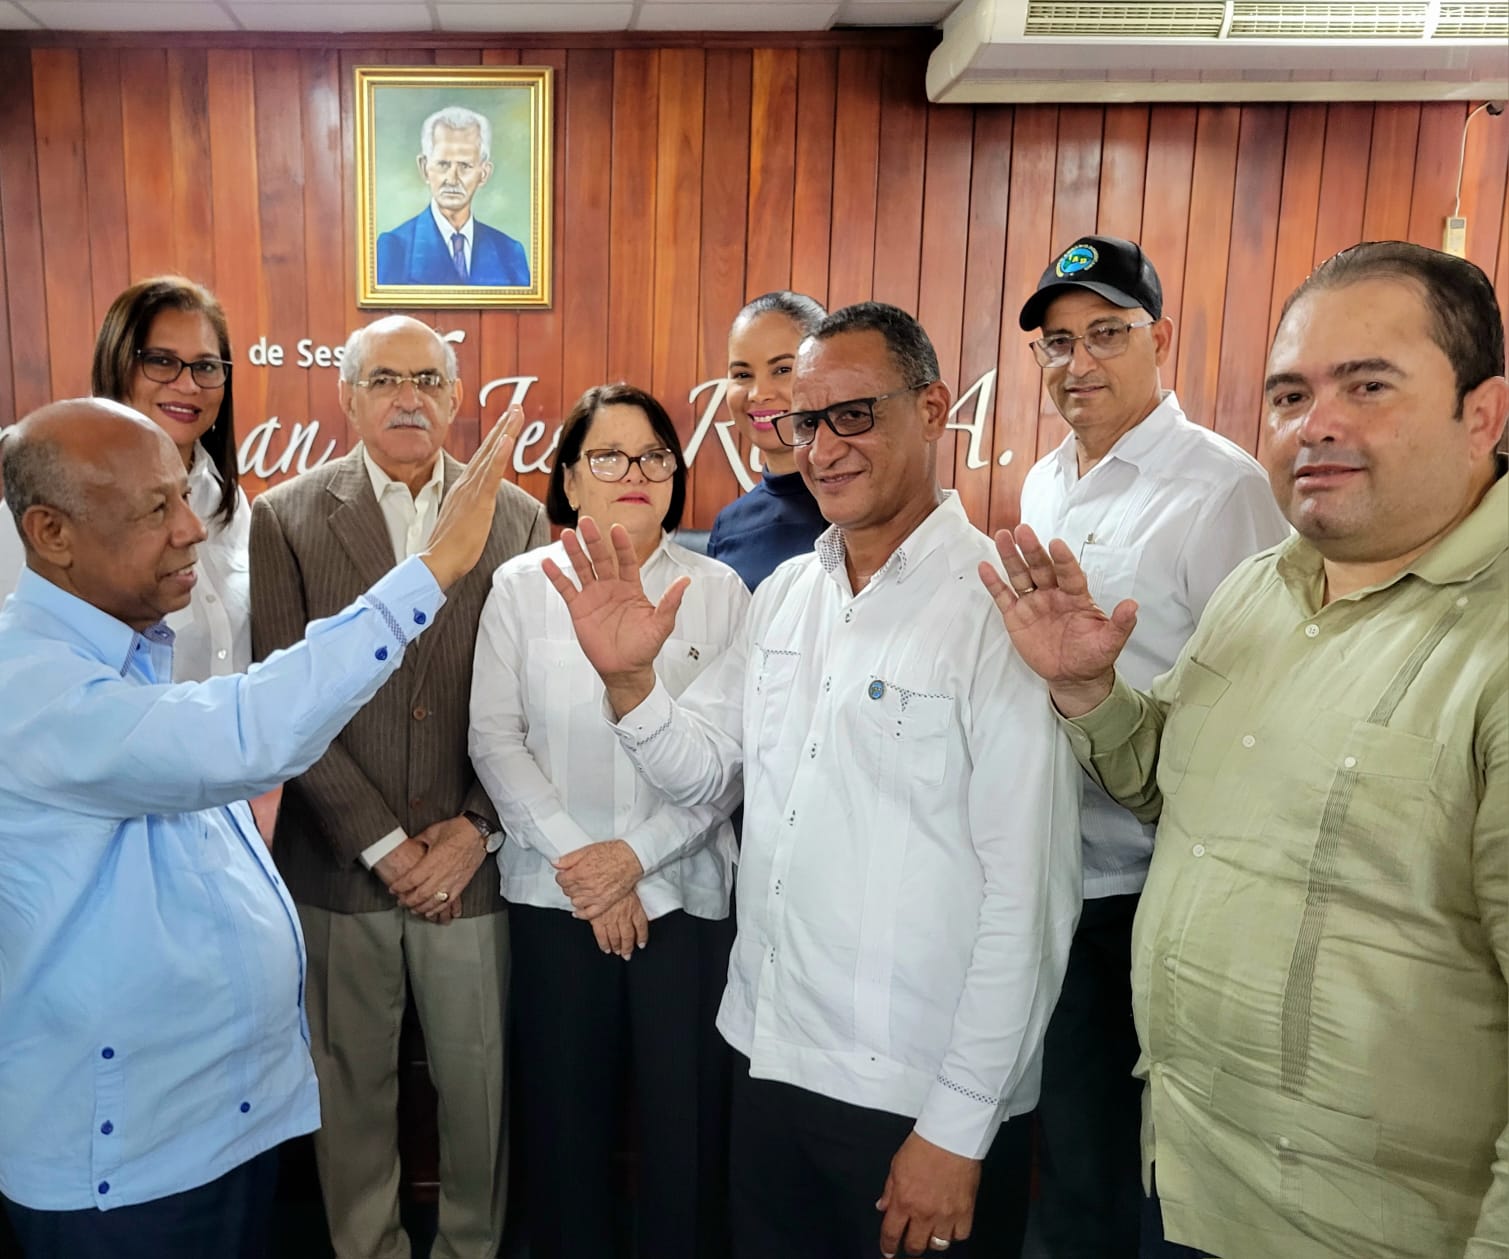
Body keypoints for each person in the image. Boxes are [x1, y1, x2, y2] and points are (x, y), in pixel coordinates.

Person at [982, 240, 1509, 1259]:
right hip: (1190, 1173)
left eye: (1368, 385)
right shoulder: (1262, 588)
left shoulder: (1478, 642)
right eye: (1289, 394)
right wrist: (1087, 689)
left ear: (1481, 413)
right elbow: (1169, 775)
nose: (1317, 424)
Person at [542, 302, 1083, 1259]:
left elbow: (1030, 895)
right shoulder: (789, 592)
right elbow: (710, 771)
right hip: (765, 1053)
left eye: (854, 414)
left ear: (932, 409)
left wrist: (958, 1125)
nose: (823, 448)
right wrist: (629, 683)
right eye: (804, 421)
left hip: (910, 1093)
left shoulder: (998, 603)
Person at [0, 397, 524, 1259]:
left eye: (184, 497)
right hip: (125, 1168)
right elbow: (252, 731)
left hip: (204, 1135)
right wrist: (428, 573)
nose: (190, 531)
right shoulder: (30, 686)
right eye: (155, 508)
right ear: (51, 532)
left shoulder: (126, 654)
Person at [1014, 235, 1290, 1257]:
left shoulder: (1222, 488)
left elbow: (1264, 696)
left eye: (1106, 334)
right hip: (1055, 868)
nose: (1077, 362)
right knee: (1067, 1148)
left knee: (1143, 1171)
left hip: (1150, 881)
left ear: (1159, 338)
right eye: (1056, 343)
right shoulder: (1044, 480)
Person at [250, 315, 547, 1259]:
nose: (407, 398)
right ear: (347, 396)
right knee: (349, 1091)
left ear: (456, 397)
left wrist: (474, 830)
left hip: (474, 870)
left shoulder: (520, 516)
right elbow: (286, 701)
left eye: (426, 379)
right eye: (383, 379)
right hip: (339, 868)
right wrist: (382, 843)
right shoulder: (286, 516)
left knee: (479, 1087)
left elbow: (538, 700)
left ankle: (470, 1248)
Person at [470, 382, 748, 1258]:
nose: (635, 471)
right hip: (555, 902)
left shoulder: (721, 591)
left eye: (654, 455)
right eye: (609, 455)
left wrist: (635, 859)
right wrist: (588, 868)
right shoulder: (521, 586)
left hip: (685, 902)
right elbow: (493, 740)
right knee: (562, 1138)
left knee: (684, 1140)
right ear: (567, 478)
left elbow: (730, 762)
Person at [0, 276, 251, 681]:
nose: (188, 385)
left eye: (206, 366)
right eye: (162, 361)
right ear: (117, 365)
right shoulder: (34, 519)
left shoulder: (230, 504)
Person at [707, 291, 830, 589]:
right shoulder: (728, 526)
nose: (759, 393)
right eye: (742, 374)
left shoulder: (864, 507)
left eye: (782, 370)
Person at [375, 105, 530, 288]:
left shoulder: (510, 254)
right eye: (443, 164)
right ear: (424, 168)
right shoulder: (393, 250)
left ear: (484, 173)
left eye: (465, 166)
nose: (452, 179)